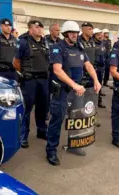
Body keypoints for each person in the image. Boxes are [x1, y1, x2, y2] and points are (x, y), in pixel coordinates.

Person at [46, 21, 101, 166]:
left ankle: (74, 145)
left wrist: (96, 80)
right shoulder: (58, 48)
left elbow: (88, 65)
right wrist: (74, 85)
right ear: (65, 34)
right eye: (72, 33)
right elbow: (57, 70)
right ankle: (51, 150)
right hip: (63, 90)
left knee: (77, 118)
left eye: (76, 33)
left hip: (78, 90)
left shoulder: (80, 47)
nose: (75, 35)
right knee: (57, 120)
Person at [13, 20, 50, 148]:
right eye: (36, 27)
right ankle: (23, 136)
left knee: (42, 108)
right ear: (30, 29)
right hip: (30, 81)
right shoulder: (24, 42)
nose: (39, 29)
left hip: (43, 80)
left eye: (41, 26)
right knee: (27, 109)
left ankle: (41, 131)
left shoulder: (45, 42)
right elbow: (16, 62)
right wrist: (23, 73)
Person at [93, 28, 107, 108]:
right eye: (98, 35)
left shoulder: (102, 43)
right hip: (95, 68)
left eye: (100, 35)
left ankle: (99, 101)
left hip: (101, 67)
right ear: (94, 35)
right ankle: (93, 101)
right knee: (93, 85)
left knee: (99, 84)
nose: (100, 36)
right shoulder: (92, 44)